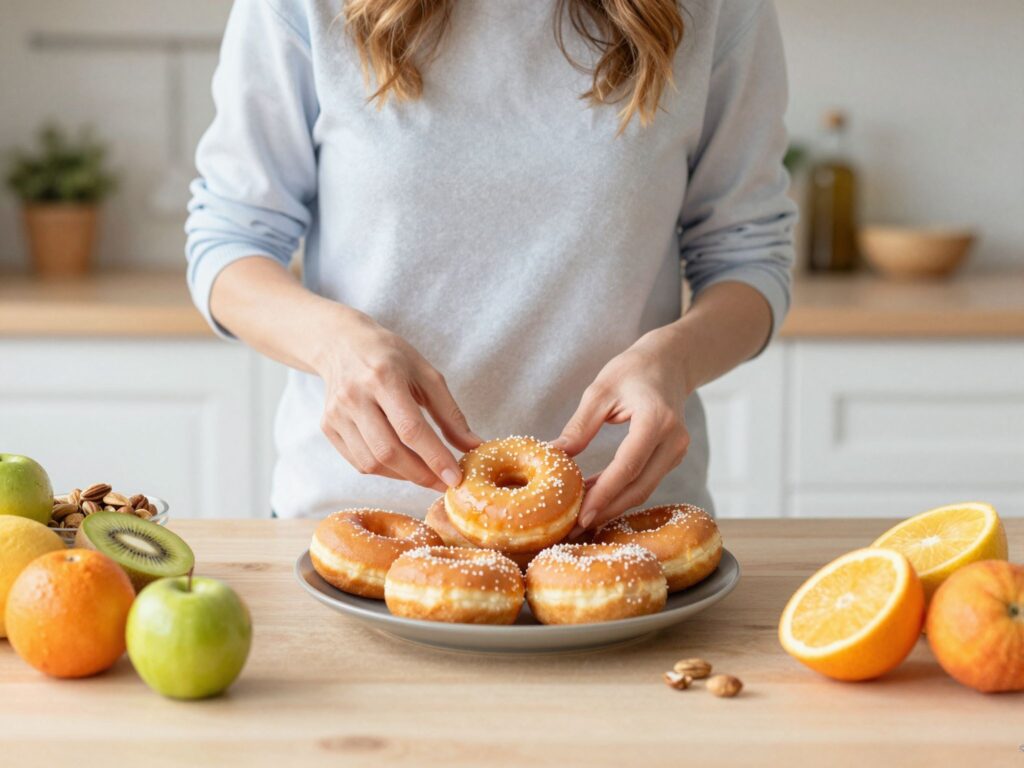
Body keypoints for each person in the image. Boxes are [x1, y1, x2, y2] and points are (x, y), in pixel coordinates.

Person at [185, 0, 795, 532]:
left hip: (620, 521)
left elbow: (749, 256)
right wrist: (334, 346)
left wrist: (675, 361)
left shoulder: (716, 7)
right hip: (365, 521)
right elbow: (230, 241)